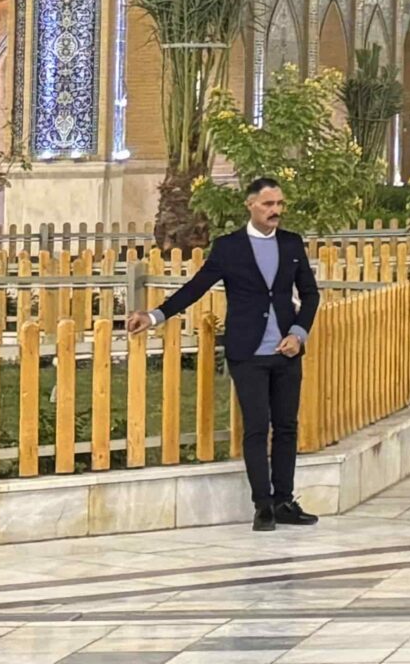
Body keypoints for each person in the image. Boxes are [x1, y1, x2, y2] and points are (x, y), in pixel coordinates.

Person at [130, 176, 319, 529]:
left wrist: (298, 333)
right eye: (268, 204)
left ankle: (284, 501)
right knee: (256, 427)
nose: (275, 211)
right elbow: (195, 288)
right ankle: (262, 505)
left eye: (279, 204)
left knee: (287, 427)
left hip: (286, 353)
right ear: (250, 205)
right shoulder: (229, 247)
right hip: (247, 352)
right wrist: (154, 315)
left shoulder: (292, 244)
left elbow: (310, 294)